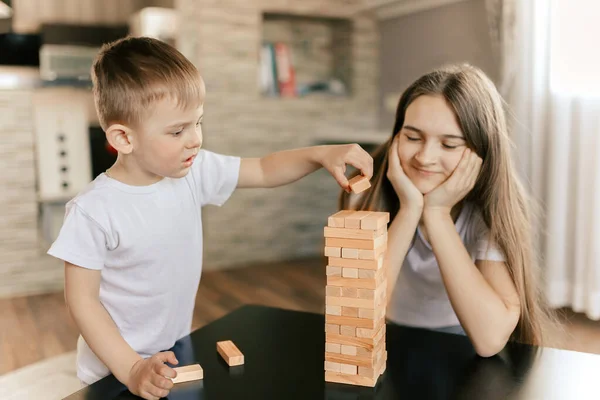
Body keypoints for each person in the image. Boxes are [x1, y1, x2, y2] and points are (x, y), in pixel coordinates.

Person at [47, 36, 373, 400]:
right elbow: (82, 302)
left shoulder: (193, 171)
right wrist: (131, 368)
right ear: (123, 138)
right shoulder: (93, 210)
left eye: (198, 123)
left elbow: (264, 170)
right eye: (177, 131)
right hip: (113, 371)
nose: (195, 140)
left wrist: (321, 154)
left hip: (172, 354)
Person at [340, 63, 558, 357]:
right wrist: (409, 210)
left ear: (480, 151)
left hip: (462, 338)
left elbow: (489, 339)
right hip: (386, 332)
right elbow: (357, 317)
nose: (425, 157)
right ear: (396, 135)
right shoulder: (366, 187)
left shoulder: (492, 208)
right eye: (413, 137)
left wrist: (438, 215)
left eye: (450, 144)